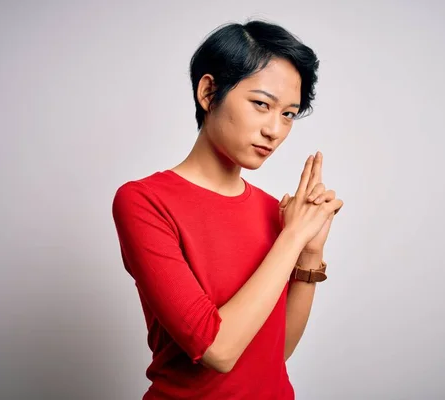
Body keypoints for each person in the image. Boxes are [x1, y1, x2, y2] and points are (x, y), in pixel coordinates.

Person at [112, 19, 344, 400]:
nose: (275, 129)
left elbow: (274, 353)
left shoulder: (276, 213)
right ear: (208, 92)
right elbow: (218, 350)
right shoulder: (144, 202)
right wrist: (292, 238)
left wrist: (310, 251)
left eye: (288, 114)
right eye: (261, 105)